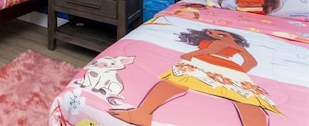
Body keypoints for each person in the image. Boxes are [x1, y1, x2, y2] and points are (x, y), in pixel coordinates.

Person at [109, 28, 280, 126]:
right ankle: (142, 113)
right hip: (217, 66)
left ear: (234, 37)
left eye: (220, 33)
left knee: (245, 100)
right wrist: (239, 71)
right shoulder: (225, 43)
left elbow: (212, 52)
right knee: (245, 99)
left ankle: (143, 113)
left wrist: (192, 55)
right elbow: (250, 62)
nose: (214, 34)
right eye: (211, 32)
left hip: (212, 64)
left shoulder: (229, 43)